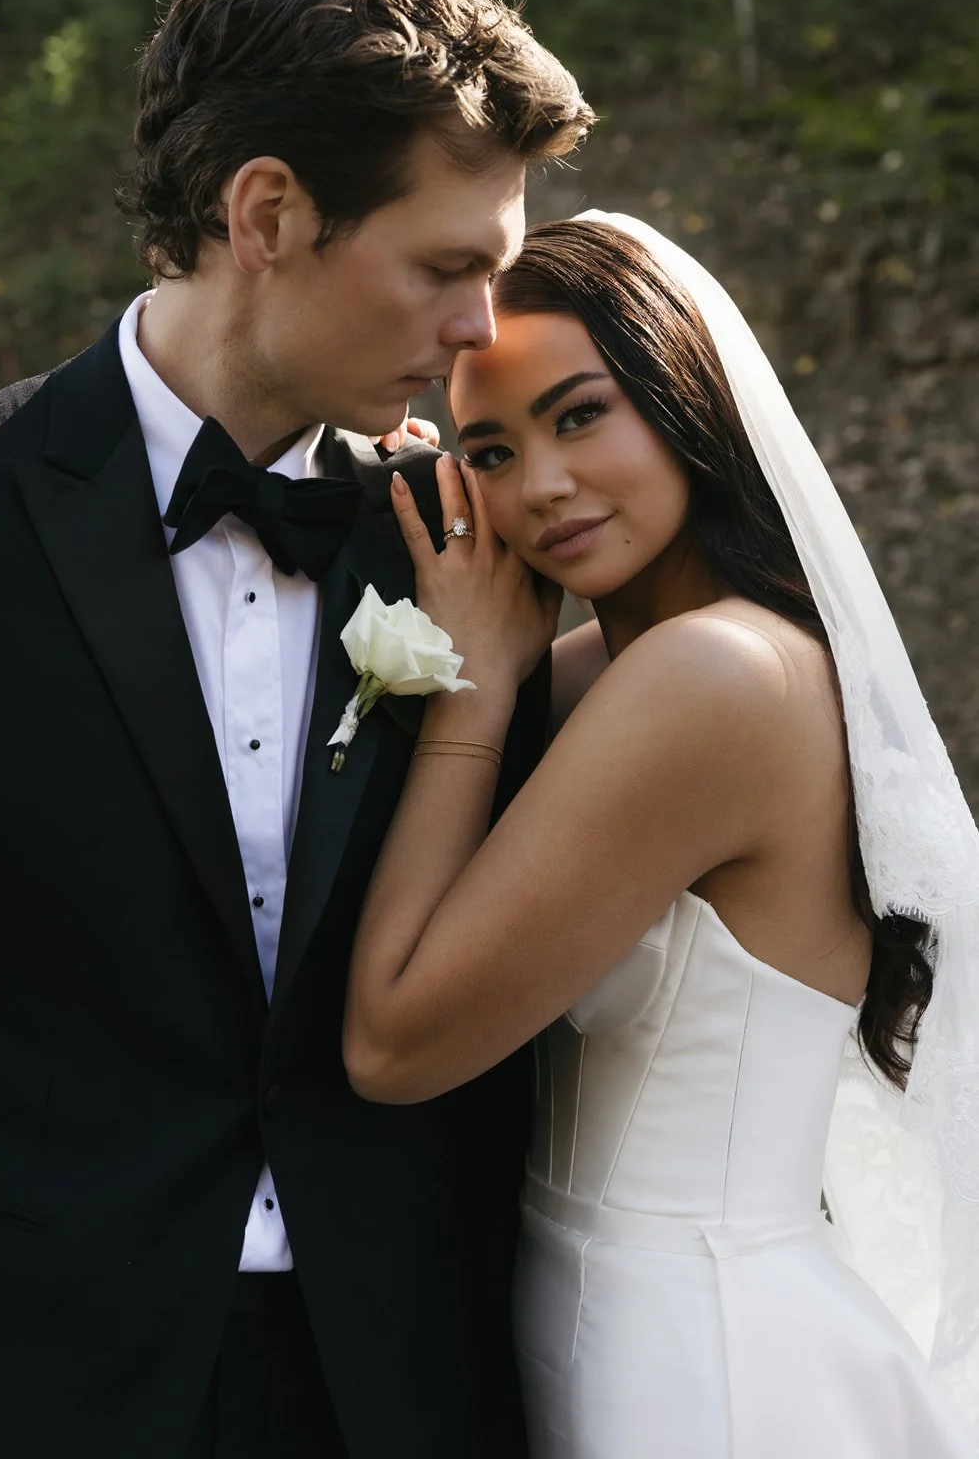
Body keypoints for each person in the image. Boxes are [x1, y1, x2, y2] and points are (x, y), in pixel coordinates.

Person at [0, 0, 594, 1459]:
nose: (477, 333)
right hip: (23, 1388)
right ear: (269, 211)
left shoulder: (475, 543)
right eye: (444, 267)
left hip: (399, 1381)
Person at [342, 213, 979, 1456]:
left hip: (702, 1356)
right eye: (491, 449)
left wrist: (468, 696)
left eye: (580, 415)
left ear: (681, 397)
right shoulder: (606, 671)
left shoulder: (719, 677)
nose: (541, 487)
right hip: (600, 1321)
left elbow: (392, 1039)